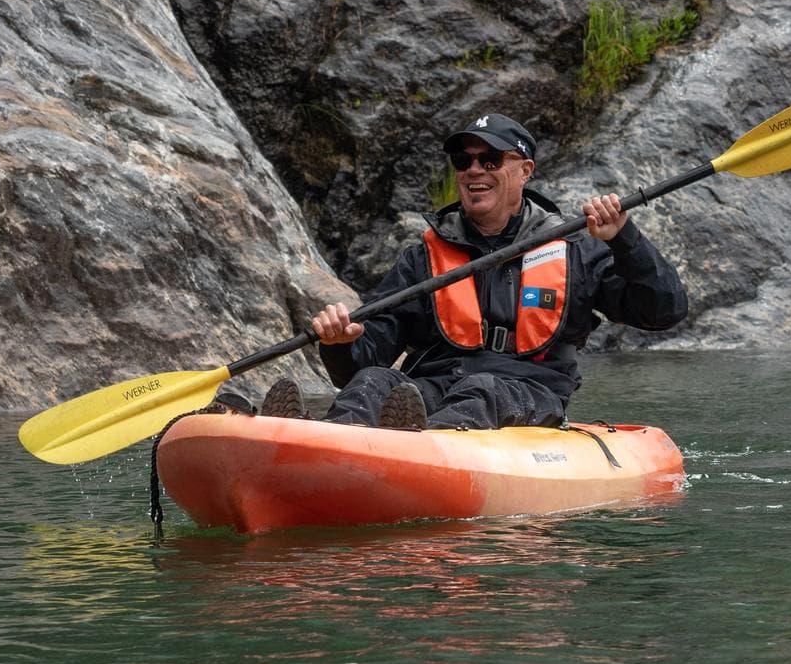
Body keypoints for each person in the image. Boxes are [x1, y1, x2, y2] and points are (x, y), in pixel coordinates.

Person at [208, 111, 689, 429]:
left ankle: (408, 456)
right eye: (463, 160)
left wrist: (624, 238)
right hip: (433, 386)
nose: (473, 170)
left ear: (524, 170)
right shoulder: (426, 256)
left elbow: (664, 311)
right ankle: (318, 447)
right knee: (374, 385)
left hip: (529, 392)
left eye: (490, 159)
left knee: (482, 390)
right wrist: (342, 343)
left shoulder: (575, 248)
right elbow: (367, 358)